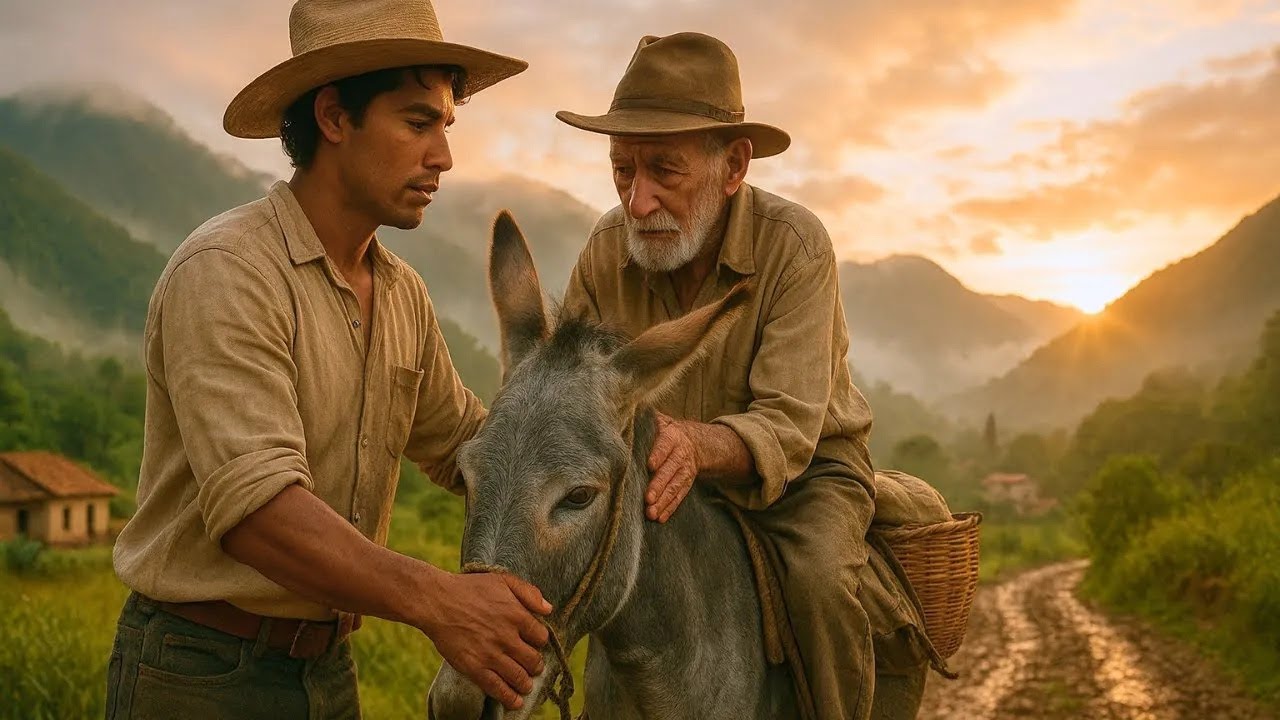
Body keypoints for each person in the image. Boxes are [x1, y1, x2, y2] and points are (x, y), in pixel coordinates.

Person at [106, 1, 551, 717]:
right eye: (418, 123)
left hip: (327, 669)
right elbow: (259, 514)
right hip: (199, 671)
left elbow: (471, 448)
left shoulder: (401, 295)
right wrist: (442, 601)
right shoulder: (229, 271)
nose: (443, 156)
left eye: (446, 126)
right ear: (335, 118)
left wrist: (611, 454)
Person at [559, 32, 926, 719]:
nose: (638, 200)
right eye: (622, 170)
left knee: (821, 582)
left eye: (664, 170)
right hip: (654, 477)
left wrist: (695, 445)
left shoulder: (795, 245)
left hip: (805, 475)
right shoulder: (605, 251)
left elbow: (788, 423)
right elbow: (570, 389)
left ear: (733, 166)